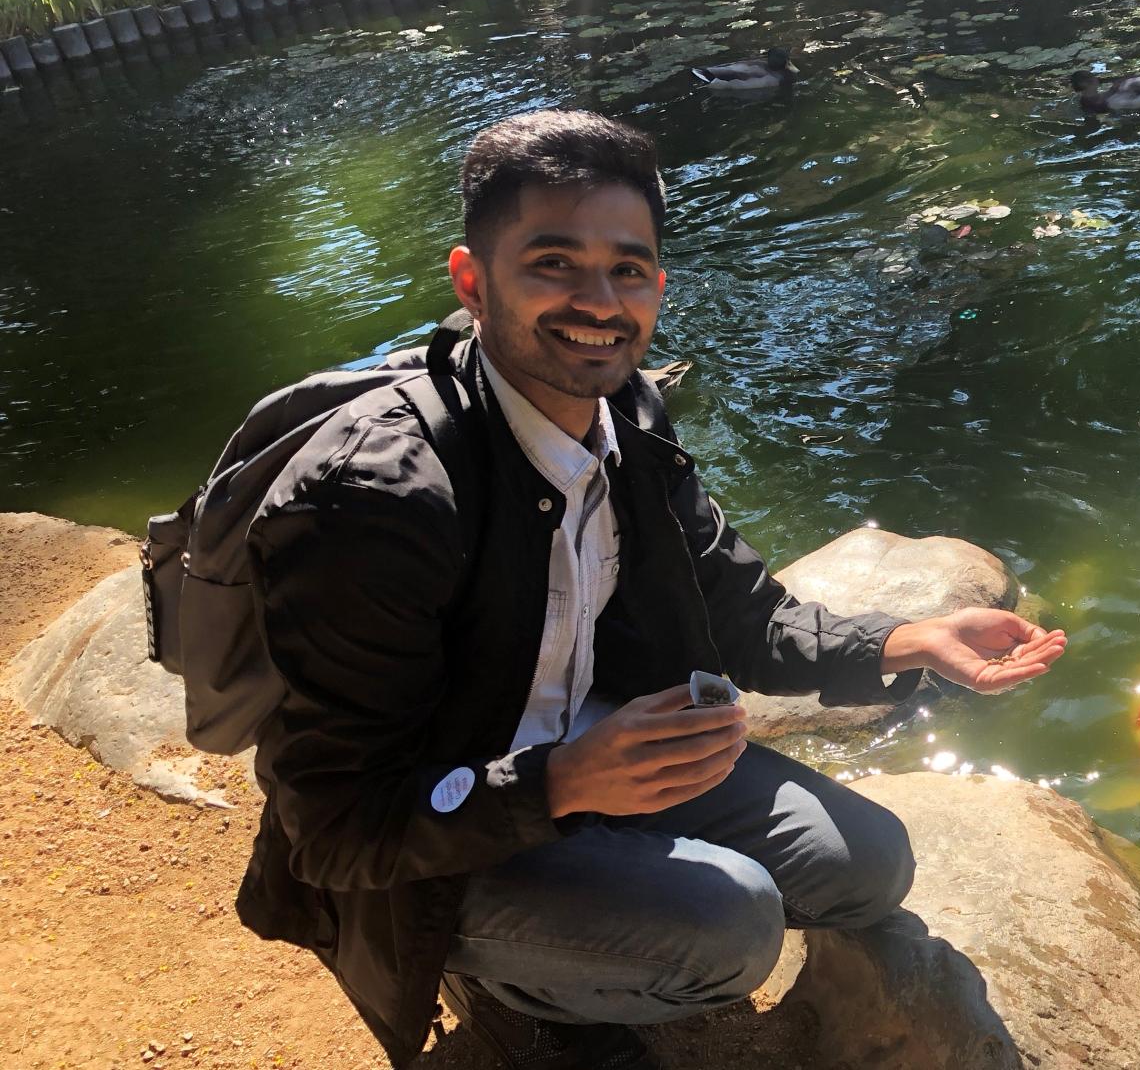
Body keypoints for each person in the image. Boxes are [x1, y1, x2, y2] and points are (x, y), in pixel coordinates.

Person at [236, 109, 1069, 1069]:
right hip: (441, 838)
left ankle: (587, 924)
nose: (599, 301)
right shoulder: (378, 501)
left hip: (593, 768)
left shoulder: (625, 417)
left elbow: (742, 611)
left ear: (658, 287)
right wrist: (563, 782)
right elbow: (335, 833)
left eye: (627, 269)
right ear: (472, 279)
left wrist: (905, 643)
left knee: (868, 866)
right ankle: (520, 996)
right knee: (731, 927)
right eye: (552, 261)